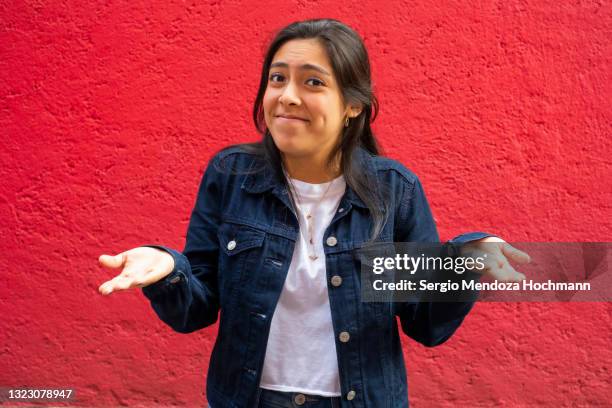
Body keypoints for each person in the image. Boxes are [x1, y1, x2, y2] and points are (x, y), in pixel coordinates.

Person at [98, 18, 529, 408]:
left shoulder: (394, 191)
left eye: (313, 83)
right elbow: (196, 309)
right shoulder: (231, 176)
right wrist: (169, 269)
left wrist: (462, 267)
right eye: (278, 78)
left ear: (353, 105)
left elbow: (425, 325)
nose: (287, 96)